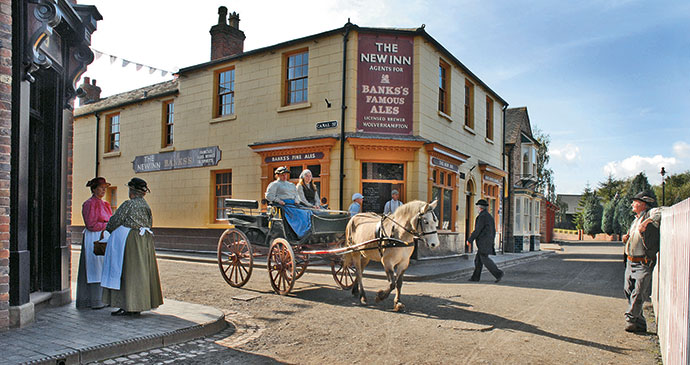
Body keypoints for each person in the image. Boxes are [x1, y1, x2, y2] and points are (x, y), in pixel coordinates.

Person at [101, 177, 163, 316]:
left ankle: (129, 304)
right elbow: (149, 223)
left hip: (130, 240)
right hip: (144, 240)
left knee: (128, 271)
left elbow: (116, 220)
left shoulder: (128, 204)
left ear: (132, 191)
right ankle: (140, 303)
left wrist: (108, 230)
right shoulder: (145, 205)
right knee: (141, 272)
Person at [622, 191, 661, 333]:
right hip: (630, 261)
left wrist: (647, 222)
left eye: (635, 202)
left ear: (643, 204)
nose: (632, 204)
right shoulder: (635, 220)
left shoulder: (650, 214)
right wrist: (627, 238)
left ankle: (631, 318)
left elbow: (662, 211)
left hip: (644, 262)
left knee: (638, 292)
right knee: (628, 290)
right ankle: (641, 324)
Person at [76, 177, 112, 309]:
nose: (103, 190)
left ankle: (105, 298)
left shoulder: (106, 204)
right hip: (94, 237)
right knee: (94, 267)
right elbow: (91, 224)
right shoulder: (89, 204)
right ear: (94, 189)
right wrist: (106, 225)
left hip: (104, 236)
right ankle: (93, 300)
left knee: (104, 267)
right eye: (101, 188)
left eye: (105, 188)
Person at [265, 166, 312, 238]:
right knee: (301, 214)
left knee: (308, 212)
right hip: (284, 206)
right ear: (277, 175)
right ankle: (301, 233)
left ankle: (308, 230)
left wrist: (296, 200)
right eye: (282, 175)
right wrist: (278, 201)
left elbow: (296, 195)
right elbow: (268, 196)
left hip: (293, 205)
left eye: (285, 175)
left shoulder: (291, 184)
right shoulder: (274, 184)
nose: (284, 176)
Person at [467, 199, 504, 283]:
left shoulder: (482, 216)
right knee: (478, 260)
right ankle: (475, 277)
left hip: (484, 241)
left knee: (484, 259)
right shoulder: (488, 216)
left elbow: (478, 230)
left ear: (480, 208)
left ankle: (498, 273)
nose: (477, 208)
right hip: (487, 240)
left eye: (477, 207)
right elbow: (493, 230)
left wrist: (470, 239)